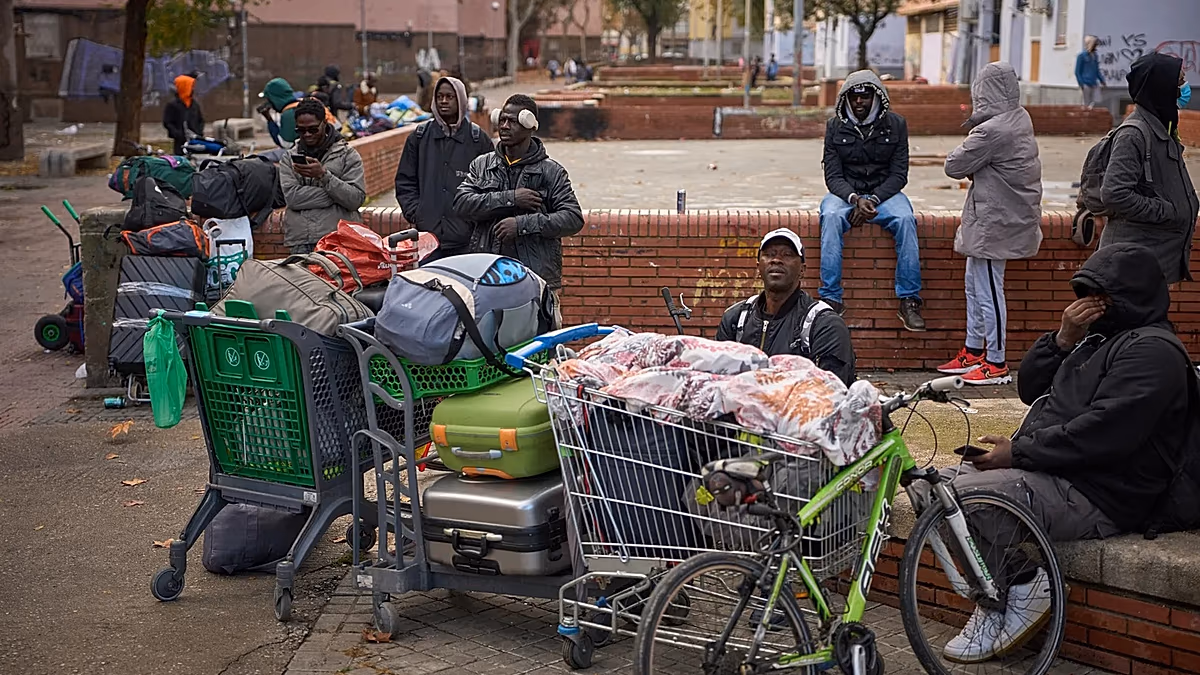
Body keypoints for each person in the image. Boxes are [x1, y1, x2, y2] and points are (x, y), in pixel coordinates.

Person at [919, 242, 1189, 664]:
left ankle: (1023, 587)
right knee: (929, 490)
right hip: (1053, 471)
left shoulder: (1153, 351)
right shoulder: (1093, 339)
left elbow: (1105, 433)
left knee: (969, 498)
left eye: (1100, 295)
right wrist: (1062, 339)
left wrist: (1018, 454)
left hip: (1102, 492)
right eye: (1085, 293)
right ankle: (998, 592)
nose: (1089, 304)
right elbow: (1029, 389)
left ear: (1129, 296)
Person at [938, 62, 1043, 386]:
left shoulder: (992, 130)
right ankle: (973, 350)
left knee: (989, 291)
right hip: (1000, 216)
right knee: (974, 284)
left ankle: (996, 362)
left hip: (996, 221)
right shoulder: (1019, 117)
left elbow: (953, 165)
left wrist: (976, 162)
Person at [453, 94, 584, 328]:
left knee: (541, 340)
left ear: (529, 124)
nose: (504, 126)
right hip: (488, 276)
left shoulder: (551, 172)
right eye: (502, 119)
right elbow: (461, 203)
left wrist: (522, 225)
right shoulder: (482, 165)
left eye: (512, 121)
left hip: (536, 280)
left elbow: (572, 218)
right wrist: (511, 199)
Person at [819, 70, 925, 331]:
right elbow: (832, 176)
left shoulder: (896, 125)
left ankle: (909, 300)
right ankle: (831, 298)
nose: (859, 102)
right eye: (854, 97)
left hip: (885, 194)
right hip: (847, 194)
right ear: (846, 99)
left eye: (865, 97)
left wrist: (874, 199)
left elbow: (899, 175)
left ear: (876, 97)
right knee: (830, 217)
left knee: (905, 220)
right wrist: (855, 199)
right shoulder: (835, 126)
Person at [1099, 52, 1199, 285]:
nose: (1184, 89)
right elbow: (1114, 194)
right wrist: (1168, 211)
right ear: (1161, 87)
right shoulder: (1134, 134)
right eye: (1179, 82)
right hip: (1134, 265)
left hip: (1157, 260)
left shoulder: (1163, 128)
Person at [715, 229, 856, 386]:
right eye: (769, 254)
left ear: (802, 269)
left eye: (787, 255)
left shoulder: (824, 324)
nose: (776, 260)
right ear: (758, 267)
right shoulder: (735, 319)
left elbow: (832, 392)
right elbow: (717, 383)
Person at [395, 76, 494, 262]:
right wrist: (417, 213)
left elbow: (490, 186)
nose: (444, 101)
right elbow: (405, 181)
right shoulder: (419, 137)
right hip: (427, 239)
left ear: (461, 100)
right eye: (439, 97)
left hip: (466, 241)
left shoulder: (478, 140)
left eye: (450, 97)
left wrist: (473, 219)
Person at [278, 98, 366, 254]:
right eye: (301, 130)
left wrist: (324, 176)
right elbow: (293, 199)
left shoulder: (347, 155)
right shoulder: (289, 158)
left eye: (313, 129)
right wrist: (335, 197)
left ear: (324, 124)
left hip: (339, 239)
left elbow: (355, 199)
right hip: (301, 241)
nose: (307, 134)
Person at [162, 74, 203, 155]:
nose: (192, 89)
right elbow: (167, 122)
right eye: (190, 86)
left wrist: (199, 132)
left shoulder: (194, 104)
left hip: (195, 139)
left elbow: (200, 120)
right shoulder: (172, 105)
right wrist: (177, 134)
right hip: (180, 141)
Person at [1074, 35, 1106, 109]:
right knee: (1086, 103)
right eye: (1094, 44)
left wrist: (1102, 80)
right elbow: (1077, 71)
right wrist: (1081, 83)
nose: (1096, 46)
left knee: (1096, 101)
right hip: (1085, 83)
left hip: (1094, 82)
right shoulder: (1081, 56)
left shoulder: (1095, 56)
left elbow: (1096, 70)